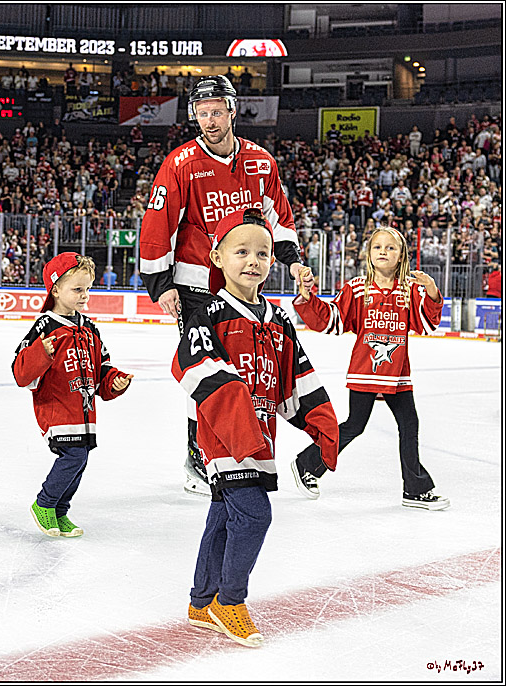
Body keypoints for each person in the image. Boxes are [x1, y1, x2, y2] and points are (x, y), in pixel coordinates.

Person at [173, 208, 338, 648]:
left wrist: (321, 424)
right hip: (224, 435)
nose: (253, 260)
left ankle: (202, 601)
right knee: (254, 514)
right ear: (217, 257)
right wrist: (241, 429)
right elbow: (195, 368)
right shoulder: (205, 313)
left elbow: (295, 376)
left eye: (262, 253)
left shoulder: (277, 317)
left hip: (259, 434)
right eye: (241, 251)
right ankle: (231, 602)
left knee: (225, 515)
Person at [139, 75, 306, 496]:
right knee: (205, 373)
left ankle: (236, 451)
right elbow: (158, 225)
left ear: (232, 111)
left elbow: (278, 218)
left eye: (216, 111)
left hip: (245, 284)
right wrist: (160, 285)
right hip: (195, 285)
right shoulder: (179, 164)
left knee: (243, 373)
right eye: (201, 112)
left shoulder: (261, 162)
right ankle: (199, 458)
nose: (209, 120)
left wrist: (291, 260)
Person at [290, 226, 450, 510]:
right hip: (365, 370)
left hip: (397, 374)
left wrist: (432, 292)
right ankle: (307, 463)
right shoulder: (356, 288)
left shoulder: (410, 290)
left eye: (390, 248)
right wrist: (308, 297)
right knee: (354, 426)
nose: (383, 252)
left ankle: (414, 489)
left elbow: (426, 324)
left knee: (409, 424)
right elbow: (332, 319)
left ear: (402, 256)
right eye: (378, 247)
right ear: (369, 254)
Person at [12, 253, 133, 537]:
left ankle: (59, 511)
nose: (84, 296)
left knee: (81, 459)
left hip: (84, 410)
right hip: (57, 408)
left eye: (87, 288)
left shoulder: (90, 328)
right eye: (77, 289)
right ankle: (45, 504)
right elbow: (20, 372)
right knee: (73, 457)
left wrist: (114, 381)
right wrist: (41, 353)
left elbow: (101, 368)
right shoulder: (45, 327)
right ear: (55, 289)